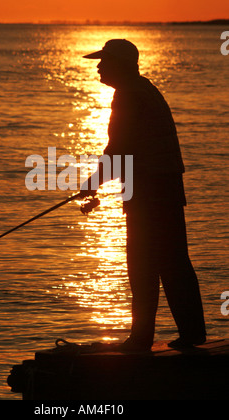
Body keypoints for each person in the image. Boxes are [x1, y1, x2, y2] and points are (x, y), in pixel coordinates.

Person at [80, 39, 206, 351]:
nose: (98, 66)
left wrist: (92, 183)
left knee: (144, 265)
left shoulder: (128, 96)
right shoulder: (143, 89)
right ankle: (190, 333)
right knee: (172, 262)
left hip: (150, 190)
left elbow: (117, 149)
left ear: (120, 65)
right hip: (165, 187)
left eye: (104, 61)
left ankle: (141, 339)